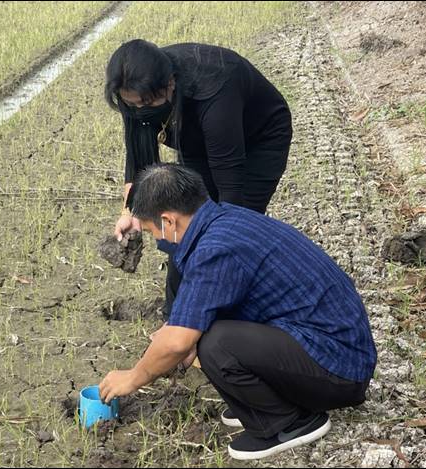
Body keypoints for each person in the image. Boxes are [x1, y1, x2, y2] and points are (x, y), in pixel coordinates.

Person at [99, 164, 377, 461]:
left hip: (339, 365)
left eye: (154, 230)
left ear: (169, 221)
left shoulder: (214, 249)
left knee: (215, 343)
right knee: (202, 328)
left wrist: (134, 376)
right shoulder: (224, 220)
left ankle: (288, 423)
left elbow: (178, 342)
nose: (157, 240)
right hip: (330, 344)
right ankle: (261, 403)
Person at [105, 39, 292, 321]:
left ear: (170, 83)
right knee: (183, 223)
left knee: (233, 227)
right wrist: (131, 212)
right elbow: (139, 157)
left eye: (148, 103)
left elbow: (230, 189)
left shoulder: (214, 87)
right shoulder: (137, 90)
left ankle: (222, 313)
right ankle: (177, 314)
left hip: (259, 139)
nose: (142, 110)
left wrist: (221, 242)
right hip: (193, 136)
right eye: (135, 105)